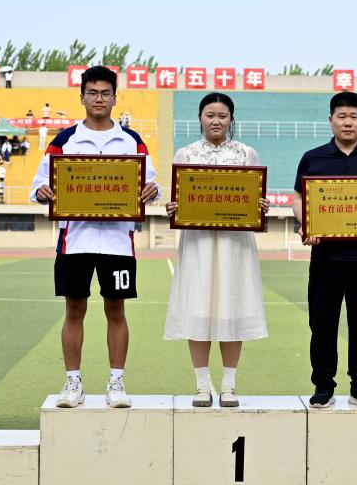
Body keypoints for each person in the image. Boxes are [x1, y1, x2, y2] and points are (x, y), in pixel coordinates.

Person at [31, 66, 160, 408]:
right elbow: (40, 184)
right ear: (82, 97)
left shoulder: (132, 141)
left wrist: (152, 190)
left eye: (105, 93)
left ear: (115, 98)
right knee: (74, 309)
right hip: (75, 240)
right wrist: (42, 192)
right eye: (92, 93)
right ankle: (73, 383)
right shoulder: (64, 141)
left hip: (118, 242)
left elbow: (151, 183)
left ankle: (116, 382)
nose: (99, 99)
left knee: (116, 309)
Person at [164, 93, 269, 408]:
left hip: (235, 245)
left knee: (232, 309)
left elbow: (255, 199)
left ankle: (229, 386)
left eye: (222, 116)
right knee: (198, 308)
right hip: (198, 244)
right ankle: (201, 386)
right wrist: (174, 208)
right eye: (210, 115)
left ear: (231, 119)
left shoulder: (246, 154)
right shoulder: (186, 153)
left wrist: (259, 207)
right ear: (200, 118)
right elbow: (179, 199)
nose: (216, 121)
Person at [292, 91, 357, 409]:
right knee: (322, 324)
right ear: (331, 120)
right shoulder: (313, 158)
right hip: (325, 258)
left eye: (354, 116)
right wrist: (306, 224)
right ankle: (323, 386)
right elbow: (299, 197)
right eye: (342, 116)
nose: (348, 122)